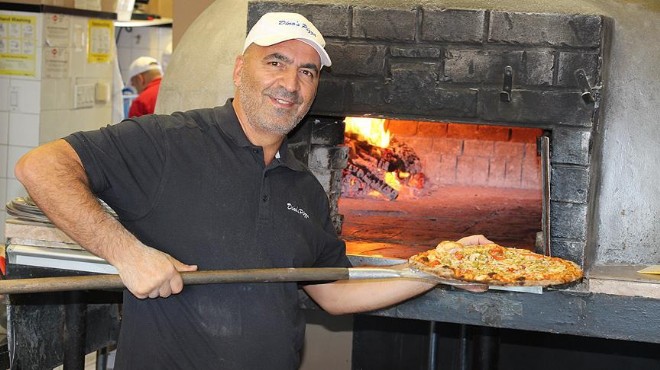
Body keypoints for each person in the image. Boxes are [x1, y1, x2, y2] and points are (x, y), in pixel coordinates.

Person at [15, 12, 491, 369]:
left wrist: (438, 268)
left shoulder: (303, 188)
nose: (291, 83)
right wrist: (126, 252)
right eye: (276, 62)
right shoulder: (168, 142)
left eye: (307, 71)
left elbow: (334, 294)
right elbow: (41, 166)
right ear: (240, 70)